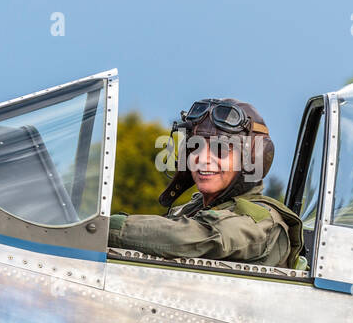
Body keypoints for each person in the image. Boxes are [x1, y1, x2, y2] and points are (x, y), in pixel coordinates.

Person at [108, 98, 304, 268]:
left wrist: (106, 227)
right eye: (195, 147)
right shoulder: (192, 209)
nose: (202, 159)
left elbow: (203, 236)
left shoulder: (260, 221)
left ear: (252, 159)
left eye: (221, 151)